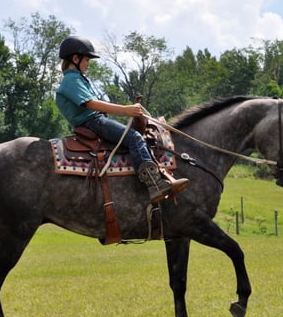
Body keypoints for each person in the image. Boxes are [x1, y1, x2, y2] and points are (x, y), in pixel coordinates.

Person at [55, 35, 187, 203]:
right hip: (94, 122)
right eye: (86, 60)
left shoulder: (75, 79)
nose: (88, 64)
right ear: (75, 58)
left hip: (93, 121)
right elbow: (92, 104)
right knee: (134, 138)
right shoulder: (71, 79)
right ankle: (155, 184)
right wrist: (127, 110)